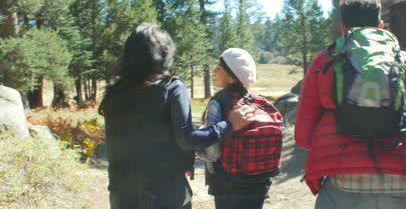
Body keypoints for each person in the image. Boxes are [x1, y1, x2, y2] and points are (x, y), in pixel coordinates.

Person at [295, 0, 406, 209]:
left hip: (346, 182)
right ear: (380, 26)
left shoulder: (324, 61)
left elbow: (303, 138)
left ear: (343, 28)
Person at [98, 23, 254, 209]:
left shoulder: (115, 93)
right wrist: (227, 126)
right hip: (165, 194)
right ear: (164, 53)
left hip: (122, 194)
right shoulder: (171, 87)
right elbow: (186, 139)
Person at [197, 48, 281, 209]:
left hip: (227, 186)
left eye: (219, 67)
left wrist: (198, 145)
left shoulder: (219, 103)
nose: (213, 71)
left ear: (231, 75)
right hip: (259, 184)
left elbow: (211, 154)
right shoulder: (259, 102)